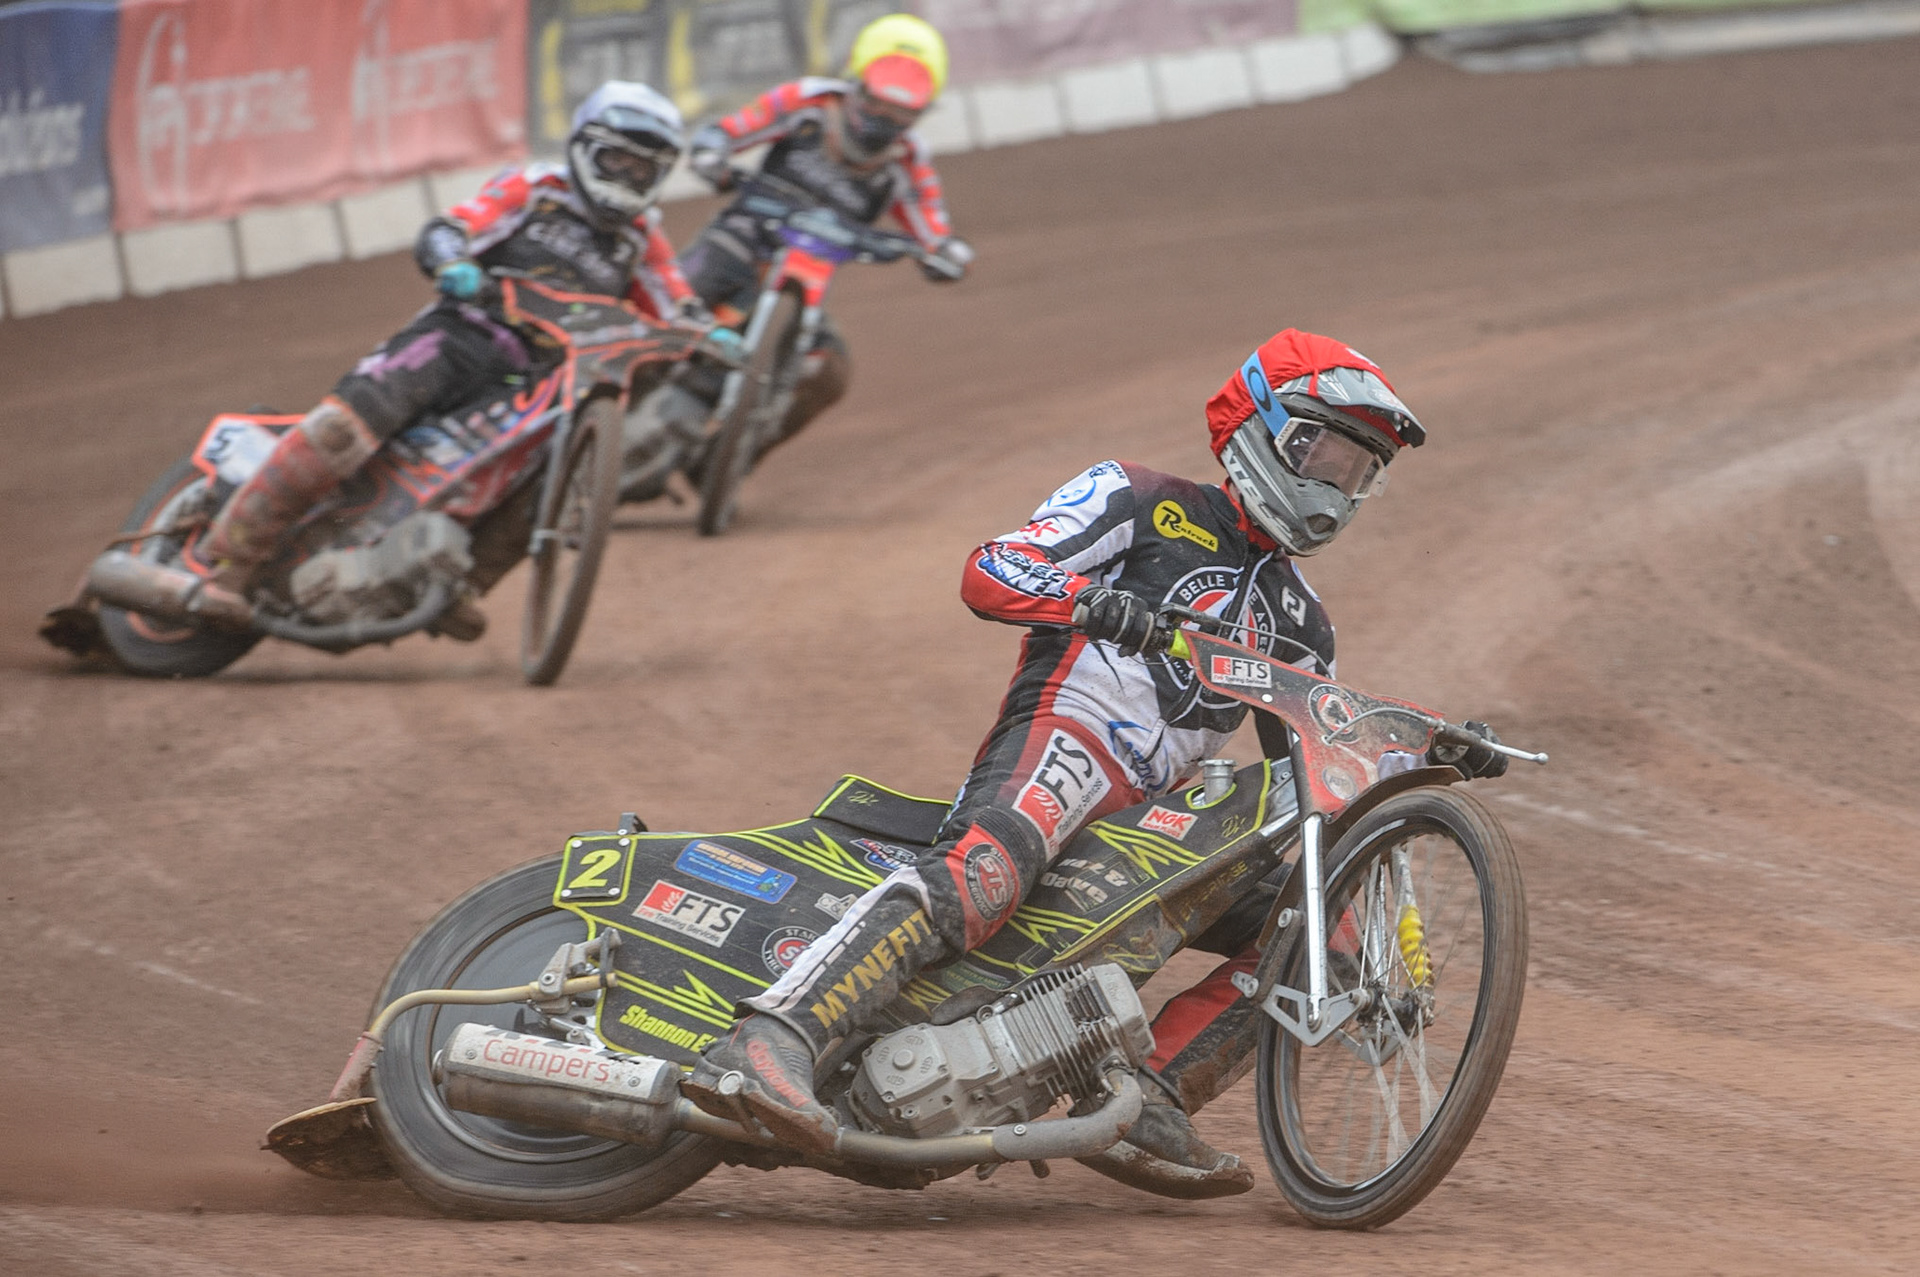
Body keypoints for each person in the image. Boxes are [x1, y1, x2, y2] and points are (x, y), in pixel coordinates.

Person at [684, 330, 1509, 1197]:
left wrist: (1423, 744)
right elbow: (990, 569)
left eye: (1358, 470)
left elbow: (1318, 760)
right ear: (1264, 429)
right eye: (1327, 452)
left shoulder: (1305, 620)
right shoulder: (1141, 497)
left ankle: (1155, 1097)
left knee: (1318, 923)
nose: (1335, 486)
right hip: (1070, 735)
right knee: (982, 876)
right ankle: (774, 1036)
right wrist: (1093, 604)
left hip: (1158, 816)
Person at [187, 82, 705, 607]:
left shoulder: (640, 238)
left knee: (544, 485)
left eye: (642, 169)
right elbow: (455, 225)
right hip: (462, 336)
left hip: (538, 381)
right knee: (342, 431)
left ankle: (460, 587)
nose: (626, 176)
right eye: (615, 158)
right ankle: (230, 563)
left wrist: (714, 335)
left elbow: (677, 301)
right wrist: (453, 260)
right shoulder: (536, 189)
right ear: (583, 146)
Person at [666, 13, 974, 459]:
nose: (886, 120)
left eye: (903, 111)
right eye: (878, 103)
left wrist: (942, 252)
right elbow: (733, 129)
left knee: (829, 372)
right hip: (741, 238)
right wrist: (713, 151)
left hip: (805, 281)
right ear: (856, 82)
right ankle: (587, 405)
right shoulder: (808, 103)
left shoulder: (906, 159)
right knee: (668, 304)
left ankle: (726, 462)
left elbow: (931, 225)